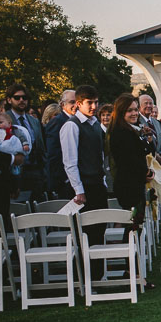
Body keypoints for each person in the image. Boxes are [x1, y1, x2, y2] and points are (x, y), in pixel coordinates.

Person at [60, 85, 108, 279]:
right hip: (83, 188)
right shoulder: (71, 126)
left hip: (97, 185)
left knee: (99, 231)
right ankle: (84, 280)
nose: (94, 106)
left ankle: (98, 276)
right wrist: (78, 190)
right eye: (90, 102)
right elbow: (70, 162)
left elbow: (101, 155)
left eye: (96, 102)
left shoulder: (96, 124)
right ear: (79, 103)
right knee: (84, 235)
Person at [106, 94, 154, 244]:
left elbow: (145, 150)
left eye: (135, 110)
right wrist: (145, 172)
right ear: (121, 112)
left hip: (135, 182)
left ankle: (133, 260)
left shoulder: (132, 130)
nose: (134, 113)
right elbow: (129, 160)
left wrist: (146, 137)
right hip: (128, 185)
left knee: (136, 225)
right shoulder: (120, 132)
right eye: (129, 111)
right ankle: (130, 262)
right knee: (132, 225)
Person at [6, 83, 46, 201]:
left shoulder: (34, 121)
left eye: (24, 98)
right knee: (21, 212)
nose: (21, 100)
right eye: (17, 98)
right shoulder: (3, 119)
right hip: (16, 173)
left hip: (36, 171)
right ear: (9, 100)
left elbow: (41, 146)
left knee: (39, 207)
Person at [45, 90, 77, 198]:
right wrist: (64, 180)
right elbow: (54, 154)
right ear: (63, 104)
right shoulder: (57, 122)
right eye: (72, 102)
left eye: (78, 102)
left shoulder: (78, 121)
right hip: (64, 181)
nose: (76, 105)